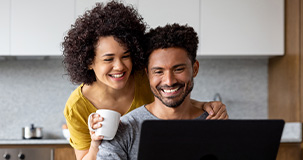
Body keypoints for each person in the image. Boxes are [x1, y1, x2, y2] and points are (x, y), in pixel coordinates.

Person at [62, 1, 228, 160]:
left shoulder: (144, 78)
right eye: (108, 59)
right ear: (89, 62)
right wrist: (96, 143)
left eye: (126, 56)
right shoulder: (77, 105)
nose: (119, 66)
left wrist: (205, 106)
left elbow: (171, 99)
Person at [97, 23, 226, 160]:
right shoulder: (124, 130)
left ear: (194, 69)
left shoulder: (217, 123)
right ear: (147, 74)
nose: (169, 81)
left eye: (178, 69)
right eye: (158, 71)